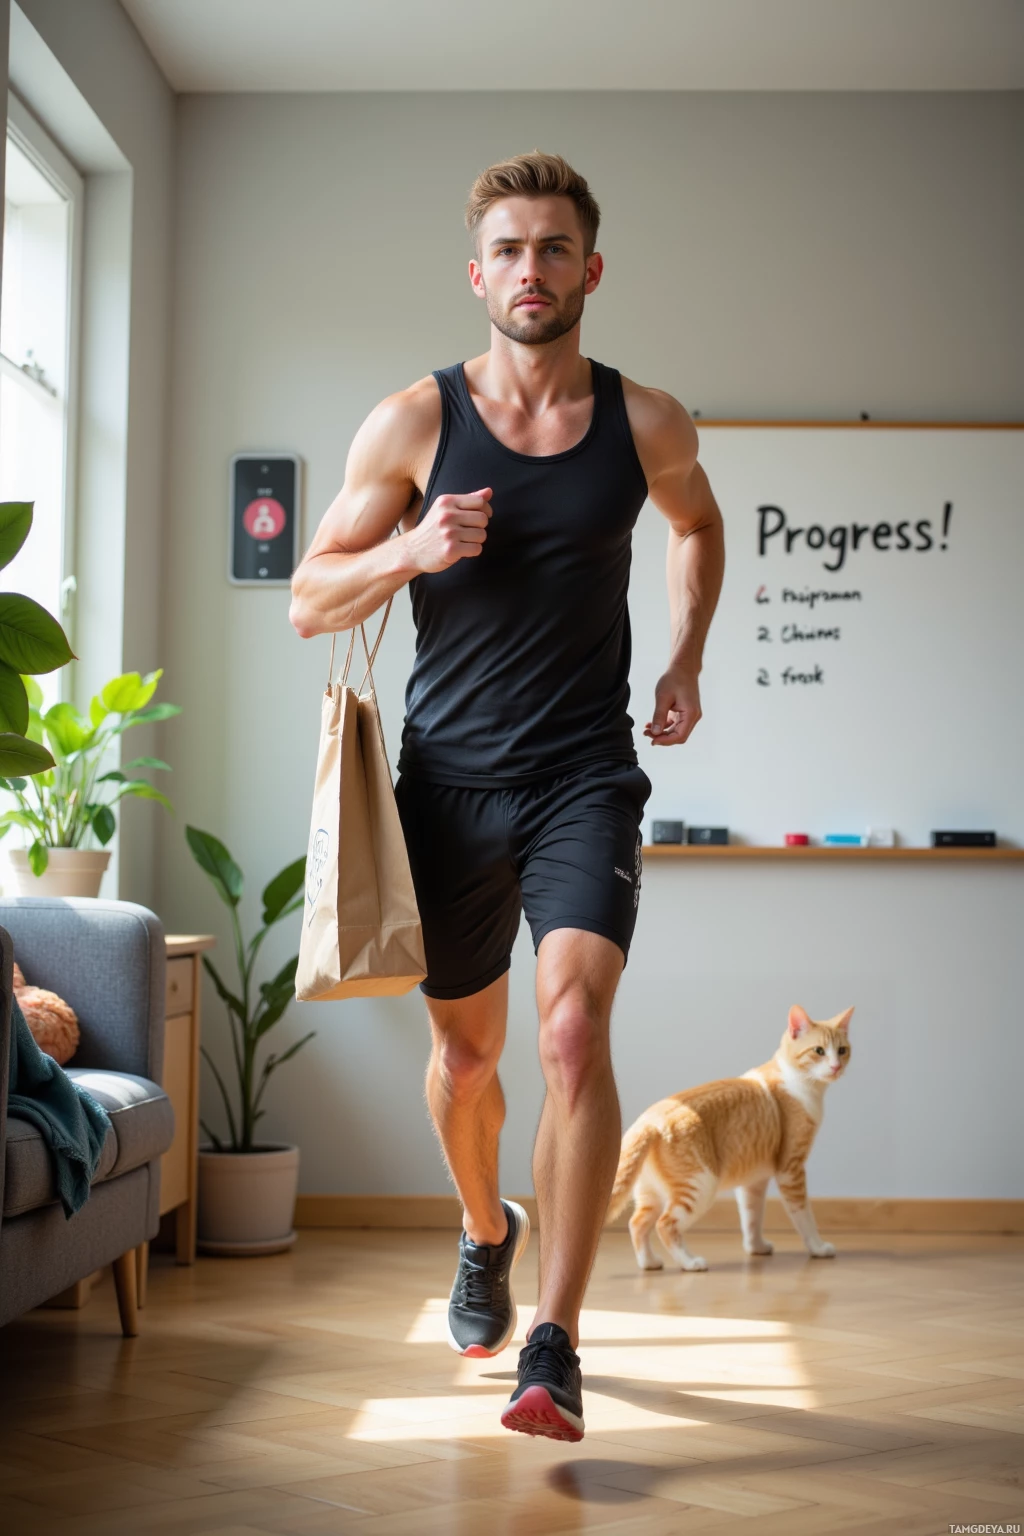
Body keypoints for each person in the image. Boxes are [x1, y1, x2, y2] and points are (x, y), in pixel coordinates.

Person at [289, 150, 725, 1443]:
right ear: (477, 273)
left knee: (572, 1038)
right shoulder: (414, 423)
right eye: (508, 250)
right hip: (448, 786)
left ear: (591, 269)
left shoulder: (646, 420)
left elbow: (696, 524)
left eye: (554, 248)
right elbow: (311, 596)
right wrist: (411, 548)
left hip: (585, 776)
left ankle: (557, 1340)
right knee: (467, 1058)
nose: (530, 270)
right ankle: (486, 1230)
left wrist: (686, 656)